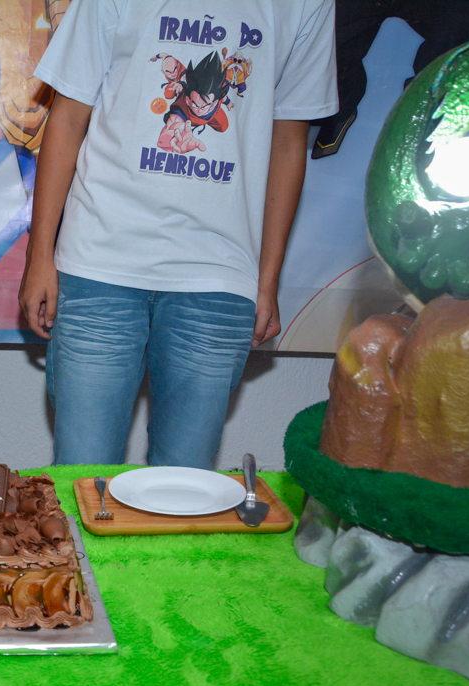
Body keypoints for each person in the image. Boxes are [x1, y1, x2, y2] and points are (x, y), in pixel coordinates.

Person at [19, 0, 338, 469]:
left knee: (185, 490)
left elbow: (289, 139)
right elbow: (67, 117)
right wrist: (39, 256)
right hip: (99, 261)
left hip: (217, 276)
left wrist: (266, 281)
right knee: (83, 480)